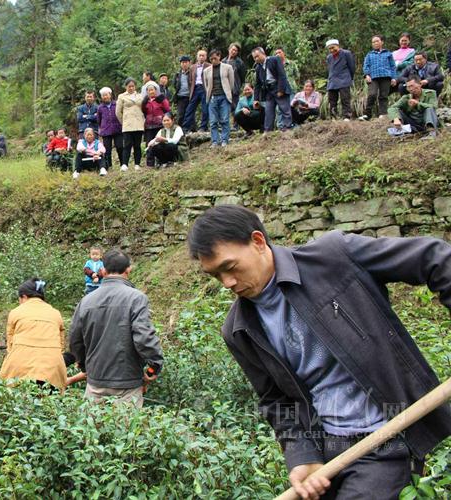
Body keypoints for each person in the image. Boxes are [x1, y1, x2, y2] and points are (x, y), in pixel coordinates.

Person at [187, 204, 451, 500]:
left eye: (230, 267)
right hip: (327, 450)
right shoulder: (239, 329)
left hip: (387, 436)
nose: (228, 283)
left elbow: (434, 258)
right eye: (215, 276)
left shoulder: (333, 257)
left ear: (258, 242)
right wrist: (301, 455)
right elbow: (276, 400)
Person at [68, 249, 164, 408]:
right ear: (129, 269)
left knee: (92, 430)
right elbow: (144, 337)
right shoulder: (137, 298)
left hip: (95, 383)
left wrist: (86, 366)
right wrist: (154, 367)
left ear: (103, 271)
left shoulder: (86, 301)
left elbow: (75, 340)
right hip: (127, 385)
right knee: (126, 431)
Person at [0, 278, 67, 391]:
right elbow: (61, 347)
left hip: (19, 369)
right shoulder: (56, 314)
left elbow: (10, 346)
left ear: (24, 296)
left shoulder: (16, 312)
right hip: (52, 371)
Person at [251, 47, 293, 132]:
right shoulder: (258, 67)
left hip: (278, 86)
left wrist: (281, 90)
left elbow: (282, 75)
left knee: (285, 109)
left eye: (257, 56)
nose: (256, 59)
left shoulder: (274, 59)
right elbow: (258, 84)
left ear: (263, 54)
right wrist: (255, 99)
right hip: (268, 90)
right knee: (268, 111)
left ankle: (287, 128)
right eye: (254, 57)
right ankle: (268, 131)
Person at [360, 35, 397, 121]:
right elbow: (366, 66)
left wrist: (394, 78)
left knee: (383, 96)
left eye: (377, 41)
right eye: (373, 42)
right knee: (372, 94)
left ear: (382, 42)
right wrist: (366, 75)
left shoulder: (388, 54)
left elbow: (393, 66)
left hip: (386, 77)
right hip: (373, 77)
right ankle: (367, 114)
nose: (375, 43)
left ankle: (382, 114)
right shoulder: (369, 55)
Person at [204, 49, 235, 147]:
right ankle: (215, 141)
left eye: (215, 58)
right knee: (213, 121)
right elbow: (206, 85)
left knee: (225, 119)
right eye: (211, 58)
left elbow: (231, 83)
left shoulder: (228, 67)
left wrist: (228, 93)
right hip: (212, 97)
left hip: (224, 96)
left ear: (219, 57)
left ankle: (225, 139)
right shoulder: (206, 71)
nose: (213, 60)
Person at [115, 78, 145, 172]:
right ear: (126, 87)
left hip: (139, 123)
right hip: (127, 124)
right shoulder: (121, 96)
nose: (131, 88)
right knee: (127, 145)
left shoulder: (140, 96)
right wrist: (123, 121)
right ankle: (124, 164)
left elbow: (144, 108)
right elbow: (118, 112)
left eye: (133, 86)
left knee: (137, 145)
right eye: (129, 86)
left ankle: (137, 164)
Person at [325, 39, 356, 121]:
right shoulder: (329, 57)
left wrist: (350, 78)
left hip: (344, 78)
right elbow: (330, 69)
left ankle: (346, 116)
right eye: (330, 49)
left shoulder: (346, 53)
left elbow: (352, 67)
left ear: (338, 46)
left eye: (333, 47)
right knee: (332, 100)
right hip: (332, 80)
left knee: (345, 99)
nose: (332, 50)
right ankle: (333, 117)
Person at [141, 85, 170, 167]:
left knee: (160, 143)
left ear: (156, 90)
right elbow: (144, 111)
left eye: (152, 90)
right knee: (149, 144)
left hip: (159, 124)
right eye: (149, 90)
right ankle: (150, 163)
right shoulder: (145, 101)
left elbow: (167, 109)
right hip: (149, 126)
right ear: (147, 92)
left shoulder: (161, 99)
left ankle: (161, 161)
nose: (151, 92)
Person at [183, 50, 210, 132]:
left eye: (203, 55)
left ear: (206, 57)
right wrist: (191, 88)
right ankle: (185, 127)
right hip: (195, 89)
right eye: (200, 55)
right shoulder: (192, 67)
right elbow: (190, 80)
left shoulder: (209, 66)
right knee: (190, 109)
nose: (201, 57)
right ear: (197, 56)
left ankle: (203, 127)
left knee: (205, 109)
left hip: (204, 88)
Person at [96, 87, 121, 172]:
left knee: (120, 147)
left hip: (117, 129)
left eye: (106, 95)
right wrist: (102, 127)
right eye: (103, 95)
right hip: (106, 131)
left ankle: (122, 164)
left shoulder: (116, 104)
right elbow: (99, 120)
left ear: (110, 95)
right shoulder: (100, 107)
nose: (105, 97)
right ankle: (108, 166)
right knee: (107, 150)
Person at [223, 43, 247, 128]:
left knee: (235, 107)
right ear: (229, 49)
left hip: (234, 88)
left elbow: (243, 76)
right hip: (224, 88)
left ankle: (236, 125)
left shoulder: (239, 62)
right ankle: (225, 126)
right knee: (224, 107)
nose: (233, 52)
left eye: (236, 51)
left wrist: (240, 86)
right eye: (232, 49)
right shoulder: (223, 61)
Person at [173, 55, 192, 129]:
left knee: (190, 114)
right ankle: (180, 130)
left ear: (189, 63)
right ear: (180, 64)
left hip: (190, 97)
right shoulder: (177, 74)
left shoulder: (192, 73)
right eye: (183, 62)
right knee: (180, 115)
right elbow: (175, 84)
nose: (184, 64)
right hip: (180, 97)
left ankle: (190, 130)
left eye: (186, 62)